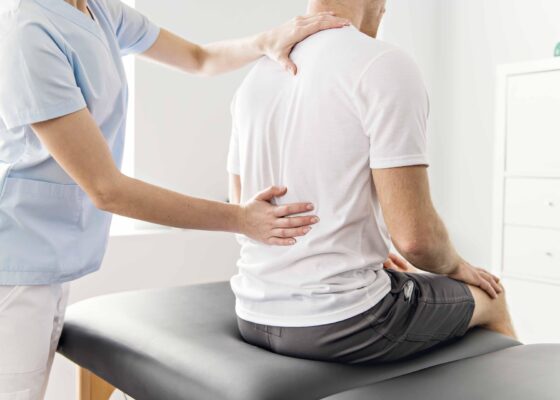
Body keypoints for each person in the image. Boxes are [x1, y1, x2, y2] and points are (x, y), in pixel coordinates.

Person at [0, 0, 350, 398]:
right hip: (14, 263)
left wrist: (268, 40)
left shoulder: (97, 10)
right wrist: (241, 219)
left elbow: (198, 58)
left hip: (51, 258)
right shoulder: (26, 29)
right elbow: (106, 189)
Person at [227, 0, 517, 364]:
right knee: (493, 297)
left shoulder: (257, 74)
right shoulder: (382, 63)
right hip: (345, 318)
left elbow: (241, 209)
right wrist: (459, 268)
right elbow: (416, 240)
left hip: (252, 312)